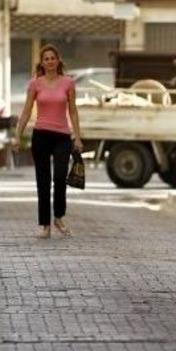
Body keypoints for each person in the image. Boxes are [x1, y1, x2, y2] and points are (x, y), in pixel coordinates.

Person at [13, 44, 84, 239]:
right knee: (43, 182)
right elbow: (27, 111)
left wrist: (77, 137)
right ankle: (44, 224)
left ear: (58, 60)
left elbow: (73, 111)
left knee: (60, 177)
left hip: (62, 136)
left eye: (53, 58)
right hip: (41, 136)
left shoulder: (68, 82)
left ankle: (58, 217)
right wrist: (18, 135)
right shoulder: (35, 84)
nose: (50, 61)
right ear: (42, 63)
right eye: (46, 58)